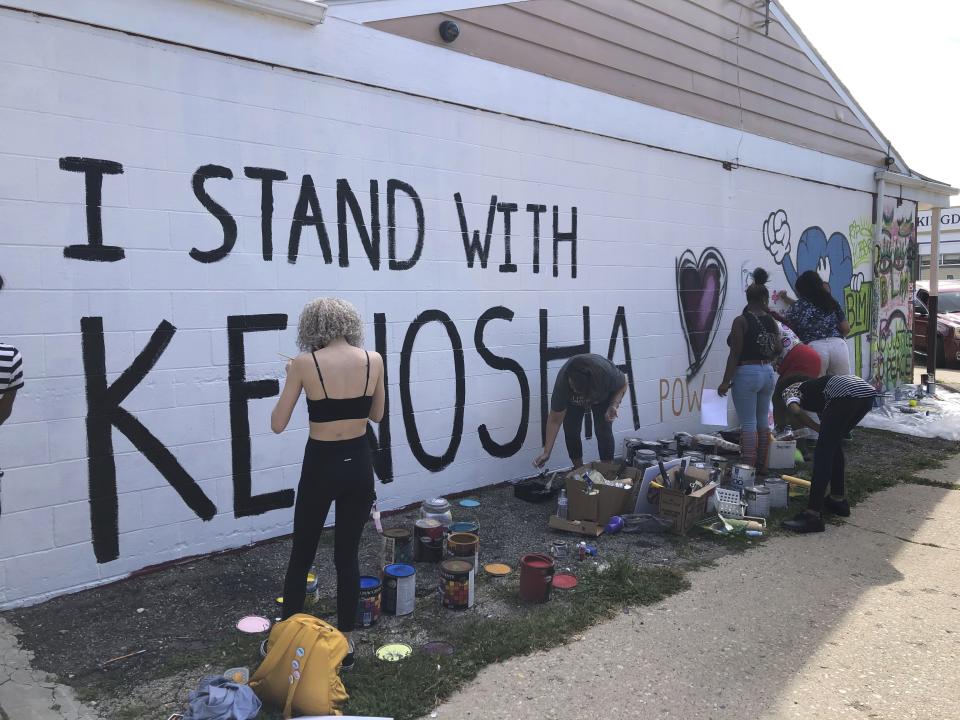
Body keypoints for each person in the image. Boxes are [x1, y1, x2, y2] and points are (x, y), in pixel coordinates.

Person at [271, 297, 385, 670]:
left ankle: (287, 642)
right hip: (359, 464)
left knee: (302, 552)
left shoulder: (305, 364)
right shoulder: (375, 359)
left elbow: (277, 422)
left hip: (321, 464)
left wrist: (294, 376)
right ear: (350, 324)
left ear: (311, 328)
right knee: (346, 555)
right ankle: (346, 646)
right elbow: (377, 414)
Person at [774, 373, 876, 533]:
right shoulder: (819, 390)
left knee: (823, 453)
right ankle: (838, 500)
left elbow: (795, 411)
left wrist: (817, 429)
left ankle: (812, 515)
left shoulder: (790, 389)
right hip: (866, 395)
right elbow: (828, 416)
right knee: (833, 445)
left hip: (846, 395)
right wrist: (823, 431)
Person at [717, 268, 780, 474]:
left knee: (748, 421)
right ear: (764, 298)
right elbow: (778, 348)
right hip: (768, 372)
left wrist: (725, 382)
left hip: (747, 373)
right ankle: (763, 464)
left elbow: (734, 353)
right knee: (763, 419)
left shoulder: (741, 321)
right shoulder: (772, 321)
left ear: (747, 297)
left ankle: (748, 464)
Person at [534, 353, 628, 469]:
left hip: (601, 397)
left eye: (578, 390)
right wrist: (547, 452)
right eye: (573, 387)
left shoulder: (606, 372)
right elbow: (554, 420)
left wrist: (613, 405)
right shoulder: (563, 383)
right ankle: (579, 471)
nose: (574, 390)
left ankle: (608, 471)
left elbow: (623, 383)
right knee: (571, 431)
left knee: (603, 430)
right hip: (574, 402)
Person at [784, 270, 851, 375]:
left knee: (816, 388)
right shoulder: (831, 301)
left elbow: (791, 333)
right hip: (838, 346)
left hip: (814, 349)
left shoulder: (797, 307)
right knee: (842, 386)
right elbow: (846, 328)